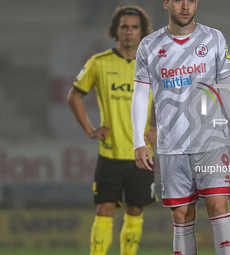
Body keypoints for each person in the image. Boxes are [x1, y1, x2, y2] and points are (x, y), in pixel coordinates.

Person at [131, 1, 230, 255]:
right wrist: (138, 141)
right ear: (165, 3)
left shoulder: (214, 38)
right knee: (182, 214)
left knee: (219, 206)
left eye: (191, 0)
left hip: (212, 141)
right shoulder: (150, 45)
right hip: (172, 145)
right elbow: (140, 95)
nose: (185, 5)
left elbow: (227, 87)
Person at [67, 6, 157, 255]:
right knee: (104, 209)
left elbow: (173, 100)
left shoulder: (153, 65)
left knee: (134, 210)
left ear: (142, 32)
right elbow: (74, 96)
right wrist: (90, 129)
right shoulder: (99, 62)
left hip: (142, 156)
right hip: (110, 153)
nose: (129, 32)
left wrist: (160, 129)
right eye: (124, 27)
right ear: (116, 31)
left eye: (134, 27)